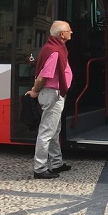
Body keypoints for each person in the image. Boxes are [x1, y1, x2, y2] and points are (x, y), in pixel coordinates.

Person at [26, 21, 74, 180]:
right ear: (62, 34)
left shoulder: (55, 47)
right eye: (69, 30)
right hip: (52, 94)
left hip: (55, 93)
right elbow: (42, 77)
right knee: (47, 132)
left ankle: (56, 162)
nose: (71, 32)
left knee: (55, 130)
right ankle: (39, 168)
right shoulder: (54, 52)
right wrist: (34, 91)